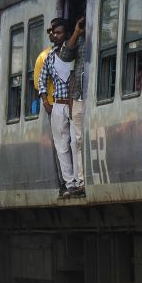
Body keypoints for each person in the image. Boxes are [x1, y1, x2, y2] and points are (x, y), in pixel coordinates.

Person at [37, 17, 83, 197]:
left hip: (73, 102)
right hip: (58, 105)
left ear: (67, 34)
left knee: (75, 142)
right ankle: (69, 182)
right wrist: (46, 102)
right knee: (62, 146)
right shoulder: (48, 57)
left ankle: (79, 180)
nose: (55, 36)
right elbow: (42, 80)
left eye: (59, 33)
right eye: (53, 33)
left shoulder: (75, 50)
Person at [56, 15, 87, 196]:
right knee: (79, 139)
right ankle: (82, 180)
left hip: (94, 95)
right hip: (79, 96)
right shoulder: (79, 39)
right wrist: (77, 32)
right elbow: (65, 57)